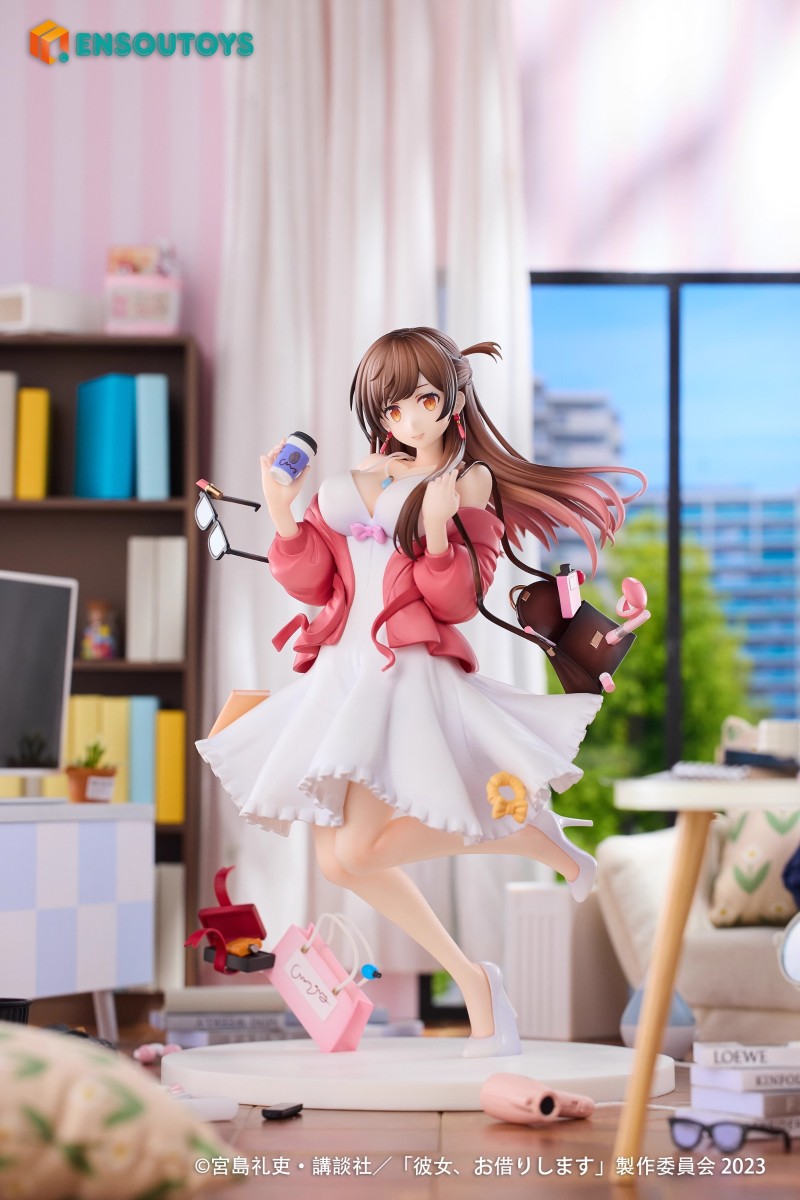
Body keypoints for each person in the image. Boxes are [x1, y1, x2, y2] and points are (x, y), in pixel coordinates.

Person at [197, 326, 645, 1056]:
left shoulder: (468, 485)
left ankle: (523, 833)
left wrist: (438, 534)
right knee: (338, 861)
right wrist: (282, 508)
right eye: (393, 405)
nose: (408, 418)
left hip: (401, 671)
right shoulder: (365, 474)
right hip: (340, 668)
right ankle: (475, 980)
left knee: (360, 847)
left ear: (452, 400)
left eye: (425, 400)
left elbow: (458, 600)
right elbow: (315, 581)